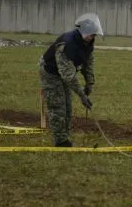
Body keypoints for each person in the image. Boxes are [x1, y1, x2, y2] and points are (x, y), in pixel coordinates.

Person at [38, 13, 101, 147]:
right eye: (92, 34)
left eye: (94, 35)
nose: (93, 37)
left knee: (67, 107)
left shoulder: (88, 43)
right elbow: (68, 75)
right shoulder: (67, 43)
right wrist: (82, 95)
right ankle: (60, 141)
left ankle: (64, 135)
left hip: (64, 74)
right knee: (58, 106)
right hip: (51, 73)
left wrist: (89, 82)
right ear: (83, 31)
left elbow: (88, 62)